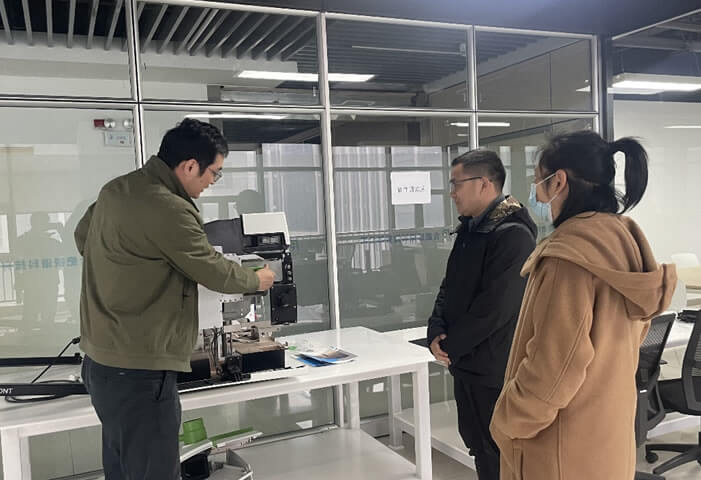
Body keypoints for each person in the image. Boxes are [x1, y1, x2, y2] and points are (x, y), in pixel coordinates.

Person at [75, 119, 276, 480]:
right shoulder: (168, 206)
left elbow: (83, 238)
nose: (213, 181)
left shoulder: (117, 190)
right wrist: (256, 280)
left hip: (102, 363)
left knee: (123, 468)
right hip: (140, 370)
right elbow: (210, 268)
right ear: (190, 166)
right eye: (214, 173)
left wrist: (129, 274)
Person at [489, 131, 677, 480]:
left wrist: (506, 420)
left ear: (559, 181)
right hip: (609, 440)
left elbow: (552, 369)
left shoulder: (568, 258)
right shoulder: (625, 244)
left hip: (561, 451)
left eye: (538, 182)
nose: (535, 195)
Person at [427, 150, 536, 480]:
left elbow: (496, 307)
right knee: (477, 443)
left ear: (485, 184)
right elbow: (449, 286)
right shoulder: (471, 229)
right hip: (466, 362)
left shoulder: (513, 234)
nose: (452, 193)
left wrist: (452, 345)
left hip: (494, 365)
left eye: (456, 183)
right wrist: (436, 328)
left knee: (499, 449)